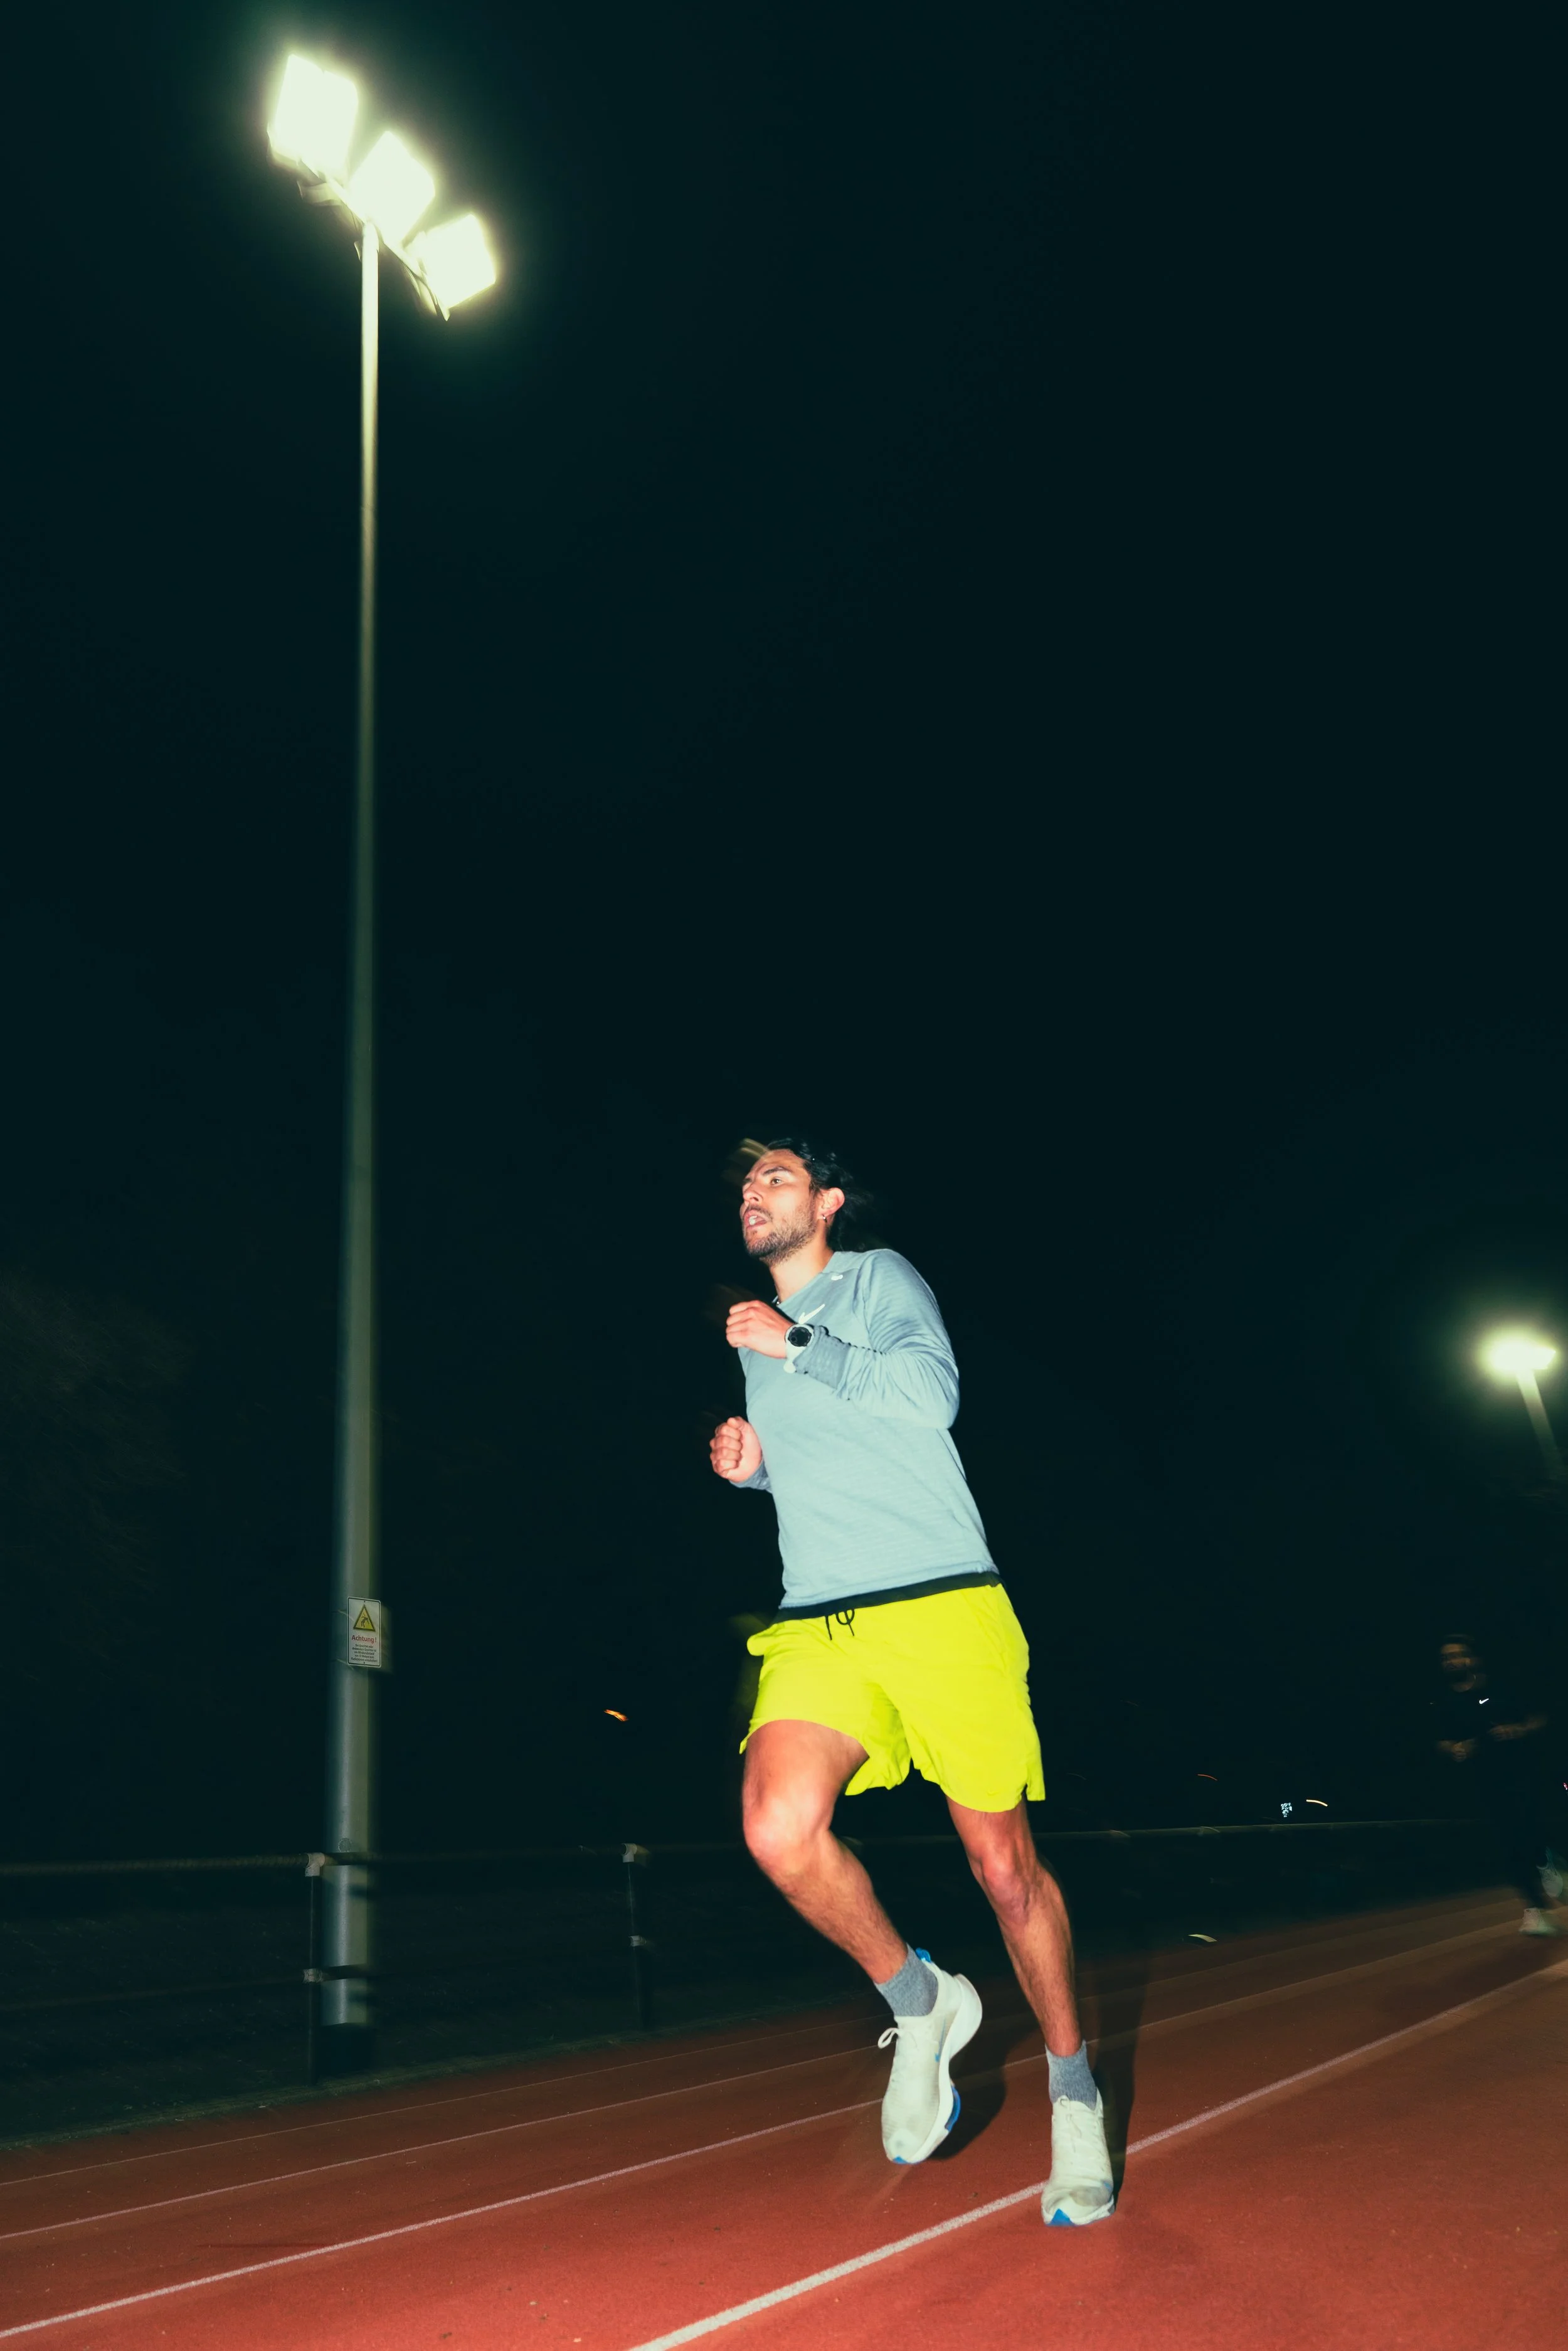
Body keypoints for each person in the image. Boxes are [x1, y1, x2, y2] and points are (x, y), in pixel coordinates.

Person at [708, 1138, 1114, 2226]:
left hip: (940, 1602)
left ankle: (1073, 2091)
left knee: (1005, 1870)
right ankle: (921, 1996)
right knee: (777, 1830)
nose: (754, 1192)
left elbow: (928, 1398)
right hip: (820, 1617)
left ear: (828, 1202)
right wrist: (759, 1470)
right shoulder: (758, 1334)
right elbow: (840, 1455)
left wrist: (796, 1342)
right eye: (747, 1183)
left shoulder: (876, 1278)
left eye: (777, 1177)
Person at [1434, 1636, 1561, 1935]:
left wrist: (1518, 1729)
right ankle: (1534, 1911)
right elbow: (1439, 1740)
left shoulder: (1499, 1689)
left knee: (1531, 1831)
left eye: (1458, 1654)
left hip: (1522, 1775)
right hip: (1483, 1785)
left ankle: (1546, 1863)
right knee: (1508, 1846)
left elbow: (1541, 1718)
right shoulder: (1442, 1702)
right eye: (1446, 1657)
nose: (1452, 1661)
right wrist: (1453, 1748)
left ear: (1473, 1659)